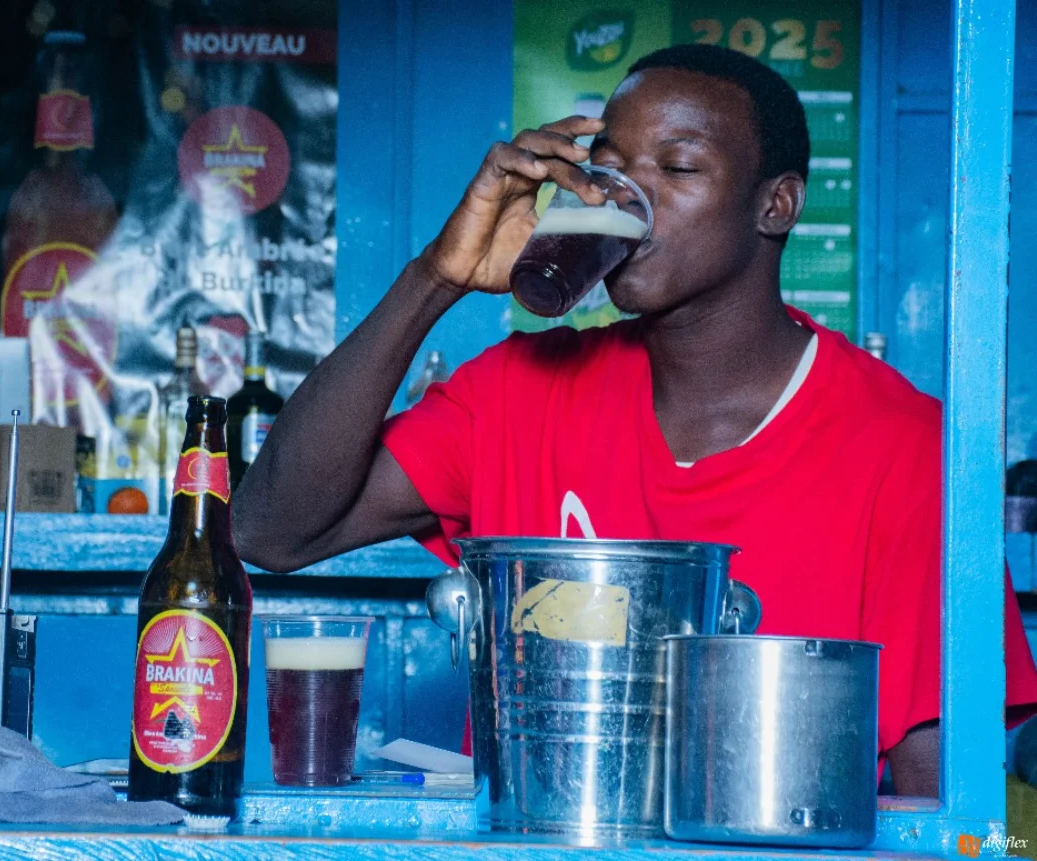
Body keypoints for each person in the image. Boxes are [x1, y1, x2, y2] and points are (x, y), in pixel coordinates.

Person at [231, 44, 1037, 796]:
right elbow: (271, 532)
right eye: (608, 170)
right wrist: (436, 276)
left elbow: (941, 796)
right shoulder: (516, 391)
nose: (626, 198)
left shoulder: (906, 448)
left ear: (776, 204)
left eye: (677, 167)